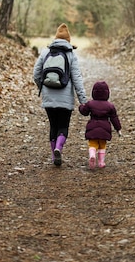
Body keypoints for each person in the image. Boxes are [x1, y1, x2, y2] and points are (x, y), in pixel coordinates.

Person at [33, 23, 87, 166]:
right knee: (63, 126)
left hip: (48, 96)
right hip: (65, 99)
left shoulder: (45, 52)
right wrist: (83, 101)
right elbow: (77, 79)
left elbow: (36, 74)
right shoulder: (71, 55)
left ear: (55, 38)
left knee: (53, 126)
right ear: (68, 41)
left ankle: (53, 156)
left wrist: (42, 87)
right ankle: (58, 148)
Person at [78, 81, 122, 169]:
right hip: (104, 128)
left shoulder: (90, 104)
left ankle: (92, 155)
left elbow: (84, 112)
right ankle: (101, 162)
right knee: (102, 145)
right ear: (107, 93)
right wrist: (118, 129)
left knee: (92, 143)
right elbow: (114, 118)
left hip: (92, 127)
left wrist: (81, 107)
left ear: (94, 92)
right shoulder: (110, 106)